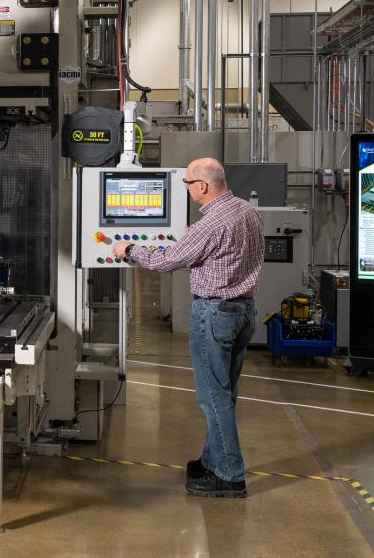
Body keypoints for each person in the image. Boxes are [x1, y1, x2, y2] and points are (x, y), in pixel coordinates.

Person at [112, 158, 264, 498]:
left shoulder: (209, 225)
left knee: (213, 397)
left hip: (214, 312)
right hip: (243, 311)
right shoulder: (247, 212)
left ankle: (230, 475)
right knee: (224, 392)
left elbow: (167, 261)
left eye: (187, 183)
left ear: (203, 186)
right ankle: (212, 461)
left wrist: (130, 249)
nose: (186, 188)